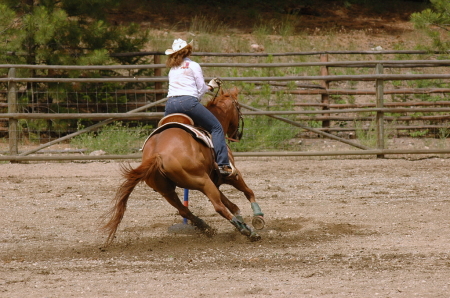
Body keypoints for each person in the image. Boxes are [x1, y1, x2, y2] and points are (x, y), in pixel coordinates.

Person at [164, 38, 232, 176]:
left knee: (163, 132)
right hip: (188, 103)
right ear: (188, 51)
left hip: (170, 105)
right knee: (216, 127)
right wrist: (210, 86)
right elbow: (200, 88)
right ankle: (223, 164)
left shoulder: (172, 69)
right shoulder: (193, 65)